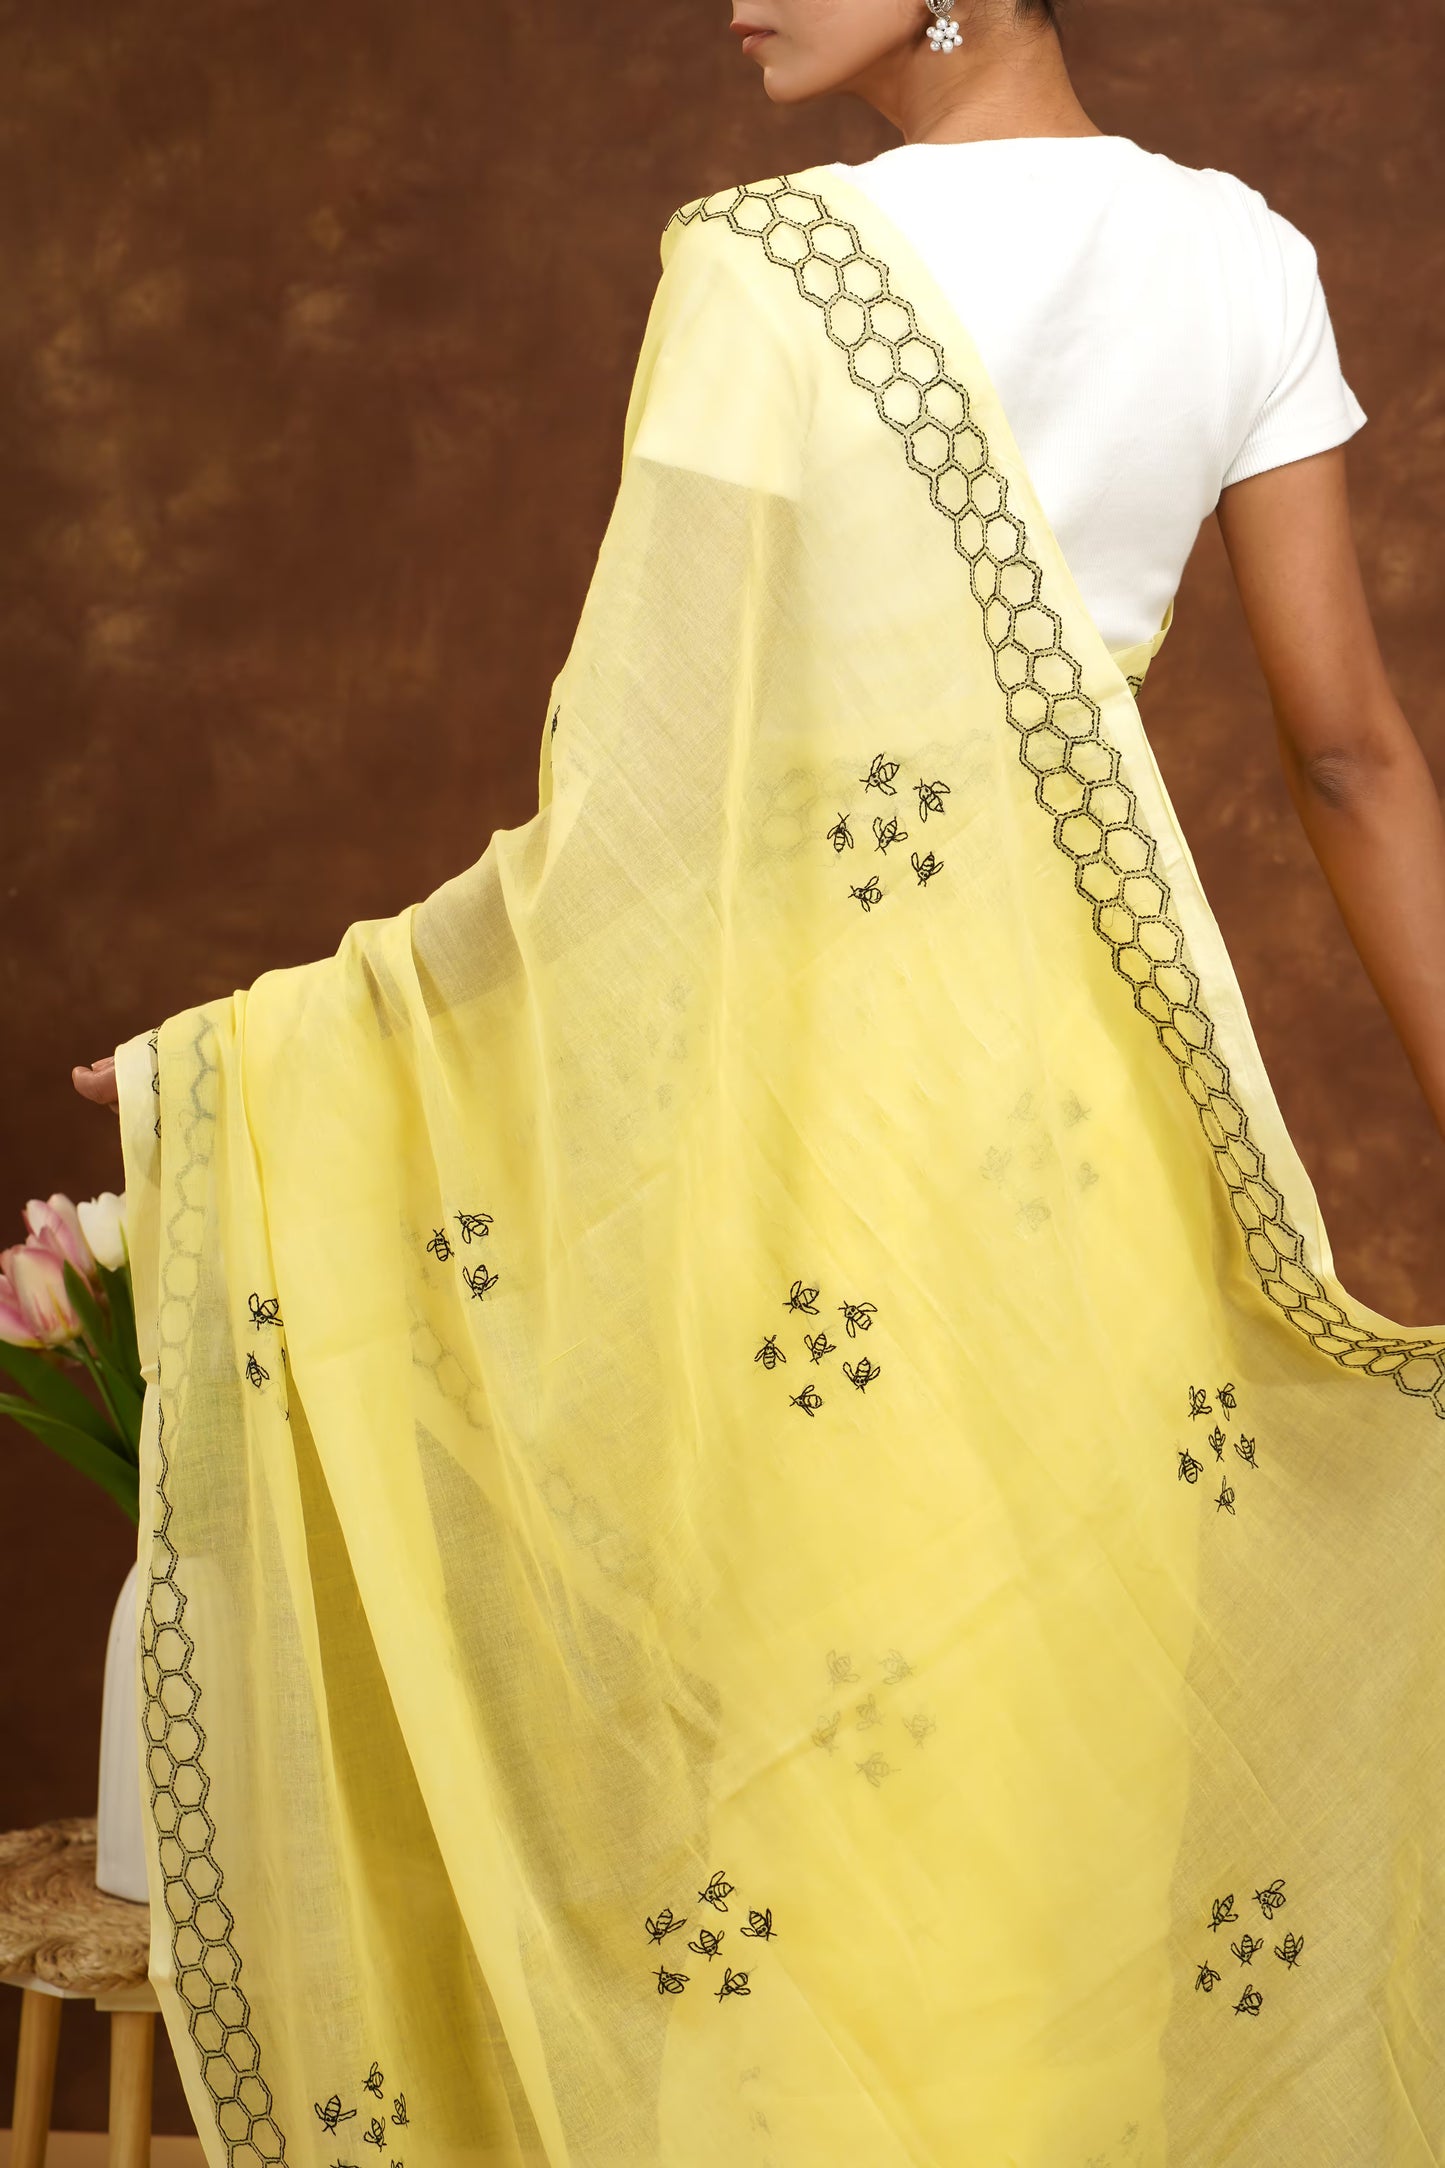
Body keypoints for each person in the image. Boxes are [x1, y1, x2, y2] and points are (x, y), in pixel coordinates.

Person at [68, 4, 1445, 2162]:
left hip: (806, 1149)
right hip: (1094, 1145)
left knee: (788, 1823)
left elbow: (636, 812)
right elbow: (1354, 751)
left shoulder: (763, 262)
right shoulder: (1240, 259)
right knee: (1043, 1780)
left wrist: (272, 1056)